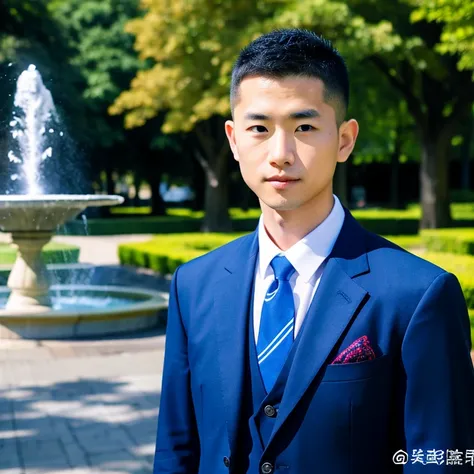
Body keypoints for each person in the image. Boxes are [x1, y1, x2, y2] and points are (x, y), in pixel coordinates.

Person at [152, 29, 474, 474]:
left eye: (304, 127)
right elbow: (176, 449)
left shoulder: (418, 294)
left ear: (344, 139)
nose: (280, 153)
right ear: (233, 138)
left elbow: (440, 459)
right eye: (259, 128)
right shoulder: (194, 284)